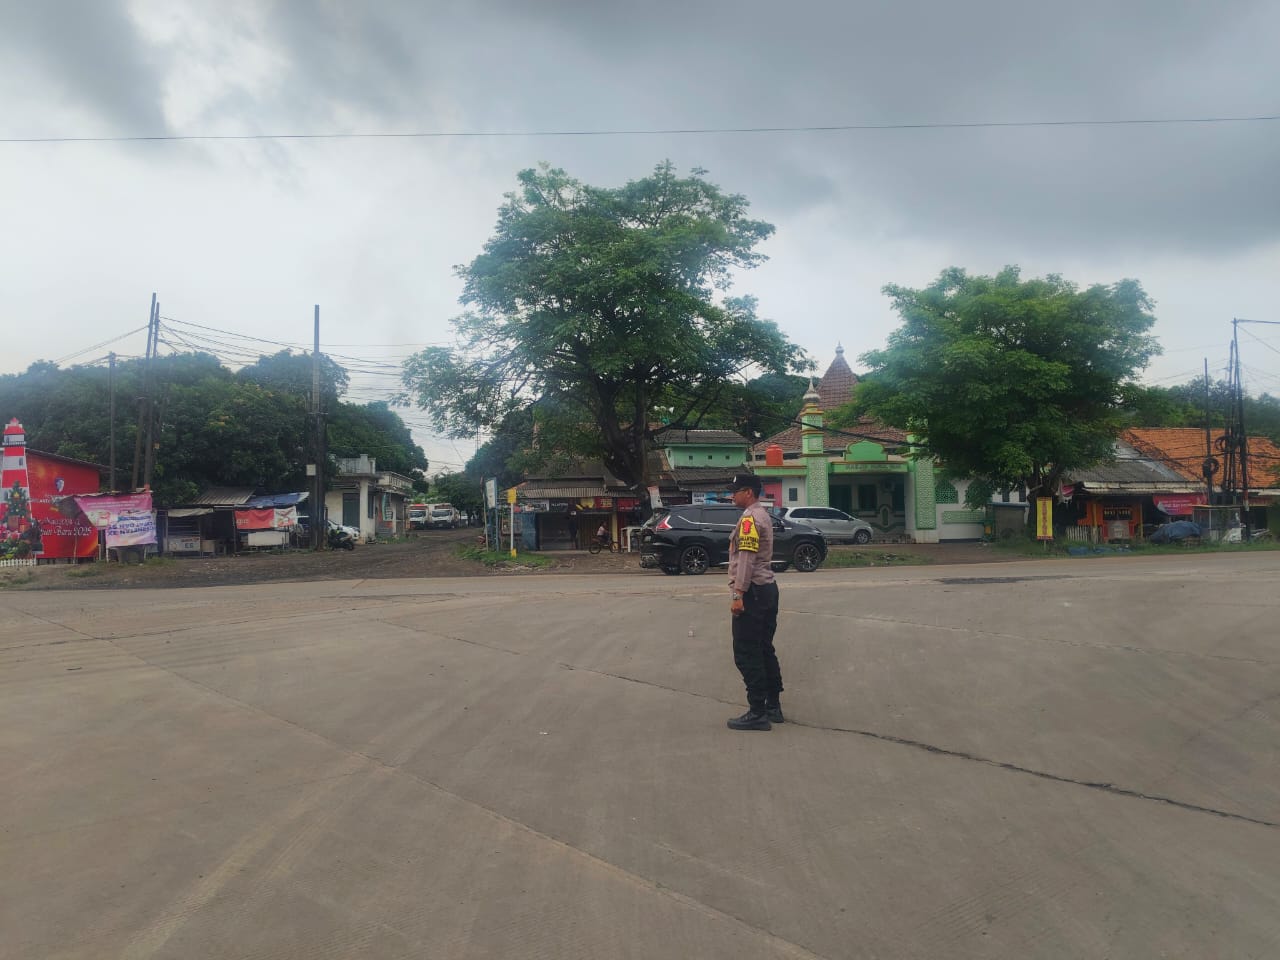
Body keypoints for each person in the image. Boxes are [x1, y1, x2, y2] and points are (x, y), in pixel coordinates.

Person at [726, 473, 783, 731]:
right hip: (767, 589)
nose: (732, 495)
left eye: (736, 491)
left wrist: (738, 594)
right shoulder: (763, 515)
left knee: (747, 651)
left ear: (748, 492)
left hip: (753, 592)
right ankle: (773, 705)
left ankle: (757, 711)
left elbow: (746, 559)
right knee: (763, 647)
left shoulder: (750, 518)